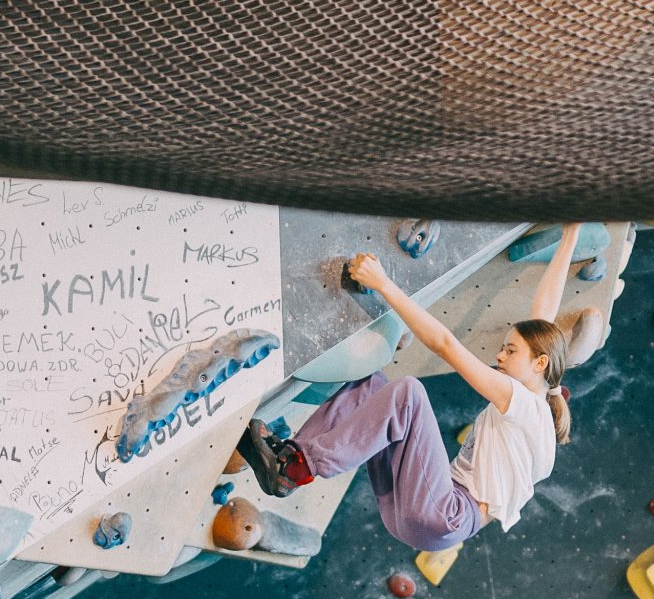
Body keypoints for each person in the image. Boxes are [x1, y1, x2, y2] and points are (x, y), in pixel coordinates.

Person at [234, 228, 579, 556]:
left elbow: (445, 345)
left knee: (408, 395)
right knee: (371, 383)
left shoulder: (523, 403)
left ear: (540, 363)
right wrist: (569, 236)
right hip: (418, 514)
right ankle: (287, 461)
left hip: (446, 512)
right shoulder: (536, 410)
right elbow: (543, 316)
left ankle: (297, 468)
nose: (499, 356)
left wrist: (383, 284)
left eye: (510, 351)